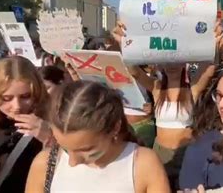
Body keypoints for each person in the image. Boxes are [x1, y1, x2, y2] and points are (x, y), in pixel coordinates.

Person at [121, 21, 223, 190]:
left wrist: (213, 44)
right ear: (161, 64)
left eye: (176, 61)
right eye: (168, 62)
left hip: (186, 152)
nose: (172, 66)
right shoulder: (156, 88)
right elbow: (134, 72)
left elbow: (209, 69)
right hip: (160, 152)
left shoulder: (193, 89)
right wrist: (126, 43)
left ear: (184, 63)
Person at [25, 81, 170, 193]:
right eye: (65, 148)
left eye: (87, 150)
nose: (72, 162)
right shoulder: (44, 164)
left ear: (115, 128)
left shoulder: (143, 164)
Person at [0, 56, 51, 193]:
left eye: (25, 96)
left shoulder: (51, 125)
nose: (16, 106)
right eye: (7, 98)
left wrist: (51, 139)